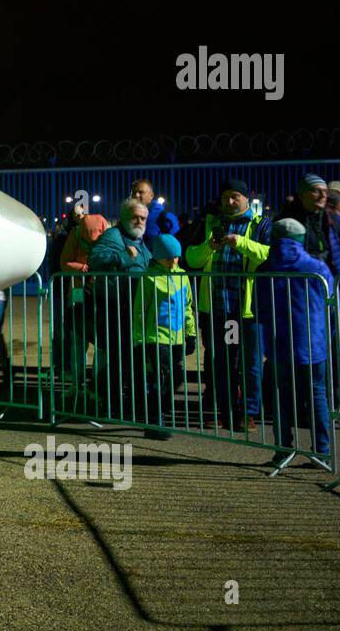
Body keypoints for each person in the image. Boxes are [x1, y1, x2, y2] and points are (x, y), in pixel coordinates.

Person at [278, 174, 340, 427]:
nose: (322, 196)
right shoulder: (287, 222)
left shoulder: (334, 222)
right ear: (302, 193)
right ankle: (307, 409)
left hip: (331, 299)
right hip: (298, 301)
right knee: (304, 357)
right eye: (315, 191)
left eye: (323, 191)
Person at [183, 178, 272, 431]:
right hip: (217, 307)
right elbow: (192, 258)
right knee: (218, 360)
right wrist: (209, 246)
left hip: (247, 308)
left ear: (247, 198)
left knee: (250, 363)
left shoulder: (262, 224)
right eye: (225, 198)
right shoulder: (209, 223)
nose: (230, 202)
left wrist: (240, 242)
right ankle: (221, 409)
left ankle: (248, 412)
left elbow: (267, 255)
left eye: (235, 197)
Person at [256, 218, 333, 468]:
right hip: (312, 340)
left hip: (279, 342)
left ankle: (282, 449)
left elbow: (259, 307)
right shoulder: (316, 267)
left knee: (281, 396)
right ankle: (321, 451)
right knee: (317, 394)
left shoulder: (265, 268)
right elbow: (333, 303)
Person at [88, 199, 153, 417]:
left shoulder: (140, 240)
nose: (139, 221)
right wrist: (124, 256)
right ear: (124, 217)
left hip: (134, 310)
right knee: (118, 359)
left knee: (130, 359)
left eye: (143, 218)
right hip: (116, 308)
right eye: (135, 217)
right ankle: (111, 405)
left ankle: (125, 405)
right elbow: (95, 259)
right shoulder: (113, 236)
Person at [130, 234, 195, 439]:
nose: (173, 260)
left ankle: (161, 414)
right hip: (156, 337)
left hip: (176, 338)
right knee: (162, 377)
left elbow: (187, 307)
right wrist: (139, 340)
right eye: (168, 257)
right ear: (157, 256)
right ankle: (156, 419)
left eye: (176, 256)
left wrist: (190, 334)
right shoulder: (149, 278)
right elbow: (140, 311)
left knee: (175, 376)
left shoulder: (182, 275)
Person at [55, 208, 108, 387]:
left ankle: (87, 384)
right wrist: (85, 268)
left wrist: (82, 267)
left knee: (86, 341)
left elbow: (64, 263)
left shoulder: (78, 234)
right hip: (91, 292)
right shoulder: (97, 235)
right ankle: (89, 385)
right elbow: (64, 262)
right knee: (91, 341)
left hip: (87, 292)